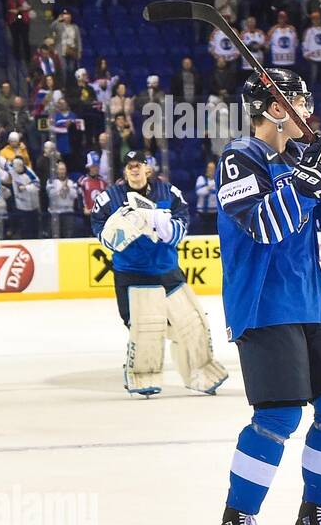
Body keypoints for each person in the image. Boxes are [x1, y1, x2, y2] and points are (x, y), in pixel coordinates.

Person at [212, 69, 321, 525]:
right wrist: (308, 180)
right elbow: (265, 226)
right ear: (276, 108)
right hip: (263, 303)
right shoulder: (241, 157)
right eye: (299, 100)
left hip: (310, 302)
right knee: (279, 415)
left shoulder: (301, 159)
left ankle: (315, 518)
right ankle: (237, 524)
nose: (308, 108)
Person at [91, 150, 228, 398]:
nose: (134, 169)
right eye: (130, 165)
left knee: (194, 323)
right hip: (131, 274)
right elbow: (101, 231)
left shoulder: (169, 193)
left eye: (139, 165)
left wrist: (157, 223)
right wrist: (116, 232)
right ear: (124, 171)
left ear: (148, 169)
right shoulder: (108, 198)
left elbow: (182, 225)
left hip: (167, 270)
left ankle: (201, 372)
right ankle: (141, 376)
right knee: (145, 328)